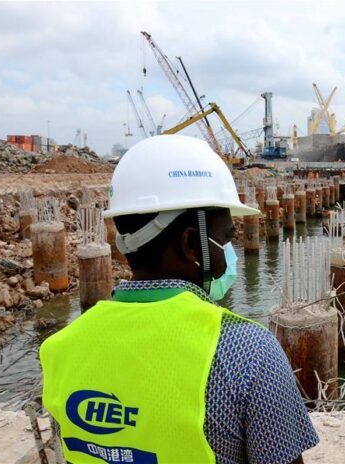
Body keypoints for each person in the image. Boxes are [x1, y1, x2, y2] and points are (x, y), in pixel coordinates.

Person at [40, 135, 318, 464]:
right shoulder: (247, 351)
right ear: (191, 244)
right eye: (225, 238)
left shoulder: (61, 348)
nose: (229, 253)